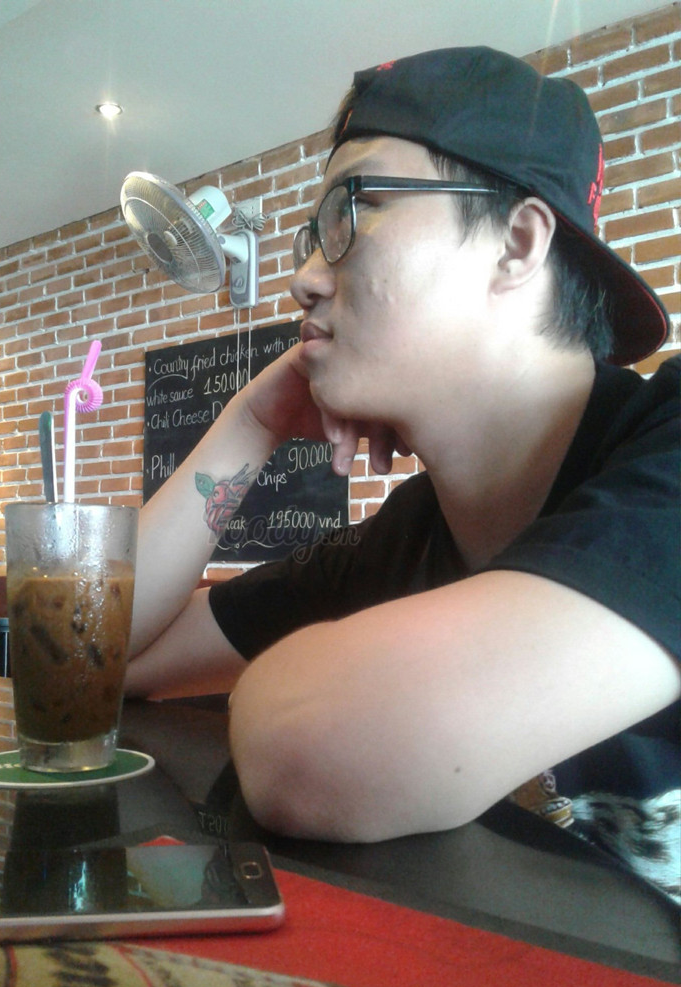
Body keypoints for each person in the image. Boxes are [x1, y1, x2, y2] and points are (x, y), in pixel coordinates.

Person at [125, 47, 680, 902]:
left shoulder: (665, 457)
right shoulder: (408, 538)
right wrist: (251, 424)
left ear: (517, 243)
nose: (304, 279)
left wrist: (292, 692)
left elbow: (303, 749)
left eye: (355, 207)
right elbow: (101, 658)